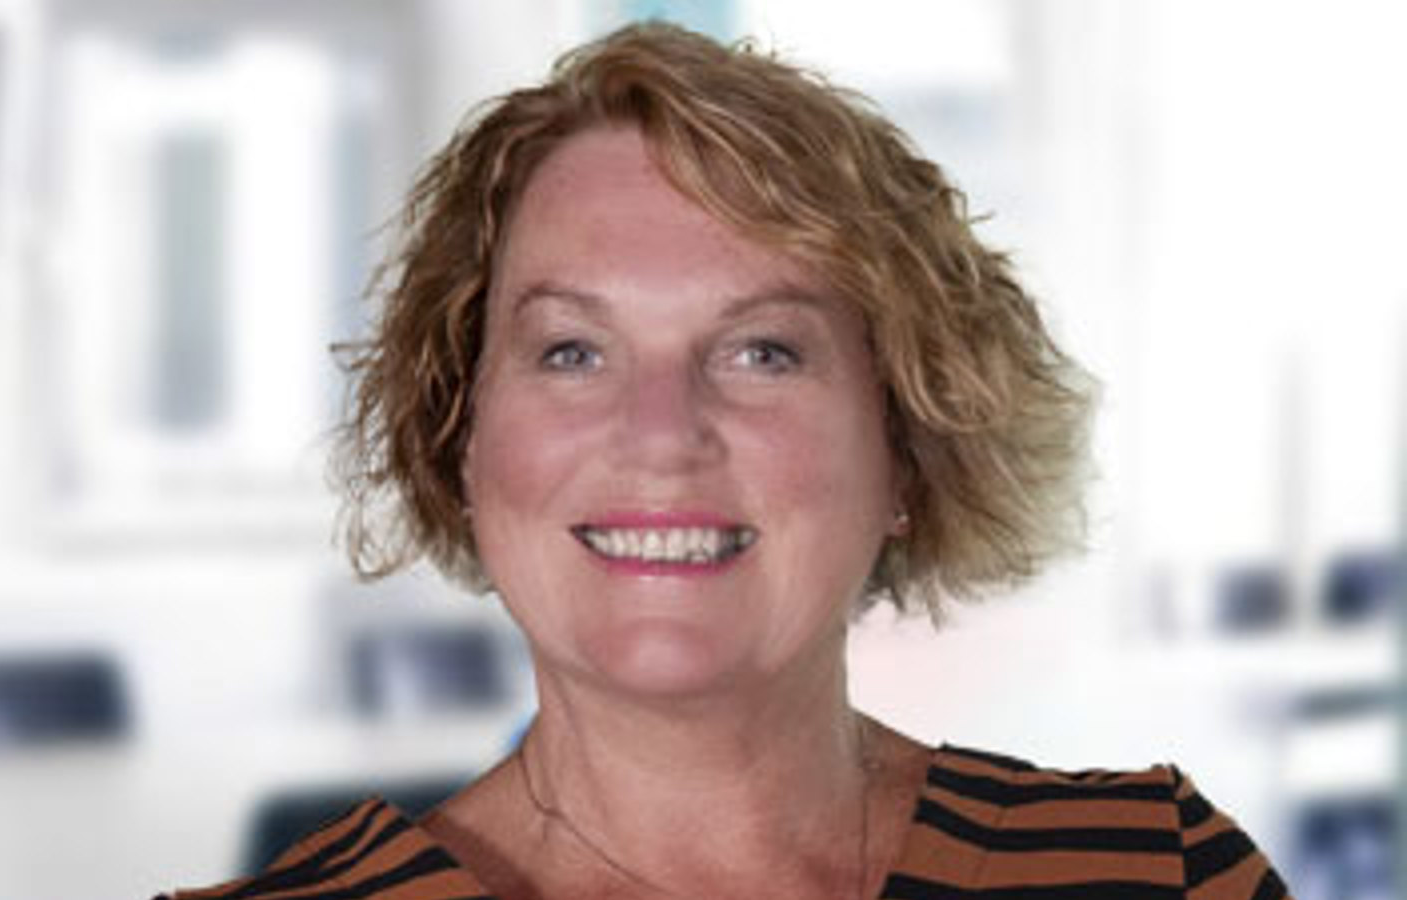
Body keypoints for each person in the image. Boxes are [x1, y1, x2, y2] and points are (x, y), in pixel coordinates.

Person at [159, 23, 1289, 900]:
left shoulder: (1161, 872)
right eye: (570, 350)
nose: (660, 433)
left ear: (906, 446)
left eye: (762, 350)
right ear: (459, 436)